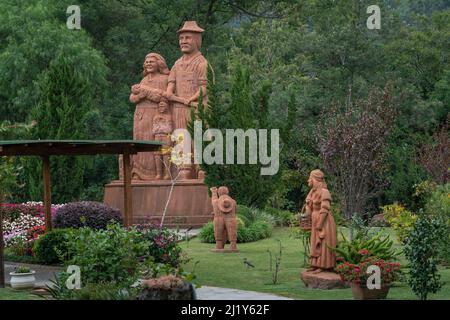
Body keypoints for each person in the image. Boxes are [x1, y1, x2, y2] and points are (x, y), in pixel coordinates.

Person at [129, 52, 169, 180]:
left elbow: (163, 97)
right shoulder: (144, 79)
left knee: (153, 142)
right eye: (146, 62)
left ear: (159, 63)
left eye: (151, 61)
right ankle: (138, 172)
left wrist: (145, 92)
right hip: (140, 115)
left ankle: (154, 173)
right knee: (139, 141)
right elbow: (133, 98)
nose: (148, 64)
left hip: (154, 115)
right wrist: (141, 95)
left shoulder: (164, 79)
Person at [303, 169, 337, 273]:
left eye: (310, 178)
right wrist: (306, 212)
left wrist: (320, 223)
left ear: (315, 179)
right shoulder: (312, 192)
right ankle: (315, 264)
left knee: (323, 242)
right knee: (314, 242)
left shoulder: (324, 192)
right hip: (315, 219)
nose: (309, 180)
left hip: (324, 221)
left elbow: (325, 208)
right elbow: (309, 207)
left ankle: (323, 265)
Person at [211, 186, 238, 251]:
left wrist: (214, 192)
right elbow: (235, 211)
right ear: (227, 192)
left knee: (218, 232)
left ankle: (219, 246)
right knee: (232, 232)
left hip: (218, 219)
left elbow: (213, 200)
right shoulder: (233, 202)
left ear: (219, 193)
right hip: (231, 218)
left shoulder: (216, 202)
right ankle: (233, 246)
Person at [152, 101, 173, 180]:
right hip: (157, 137)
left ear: (166, 107)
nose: (161, 108)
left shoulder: (168, 117)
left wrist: (161, 126)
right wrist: (160, 124)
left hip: (166, 137)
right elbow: (153, 130)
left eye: (163, 106)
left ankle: (167, 173)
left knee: (166, 154)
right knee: (157, 154)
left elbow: (169, 129)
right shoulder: (155, 117)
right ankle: (159, 174)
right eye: (160, 106)